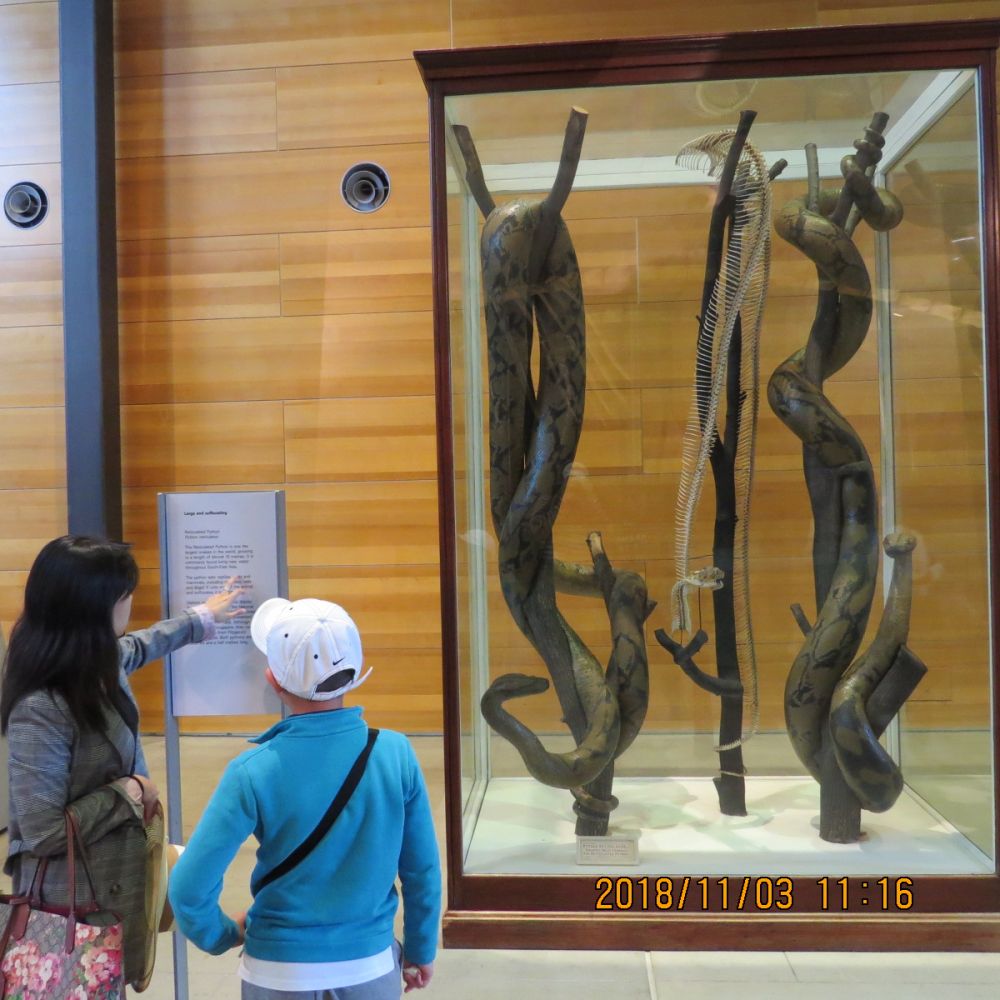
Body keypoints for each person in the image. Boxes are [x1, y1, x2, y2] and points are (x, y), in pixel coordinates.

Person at [1, 534, 245, 989]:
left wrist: (201, 618)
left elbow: (137, 647)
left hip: (107, 881)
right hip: (68, 902)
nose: (130, 602)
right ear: (94, 606)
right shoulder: (40, 706)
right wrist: (127, 791)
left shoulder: (92, 658)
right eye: (124, 594)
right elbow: (44, 832)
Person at [168, 597, 441, 1000]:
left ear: (273, 680)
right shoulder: (395, 754)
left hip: (276, 972)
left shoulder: (251, 771)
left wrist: (221, 935)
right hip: (368, 966)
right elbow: (422, 871)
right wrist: (420, 950)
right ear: (355, 670)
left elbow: (188, 888)